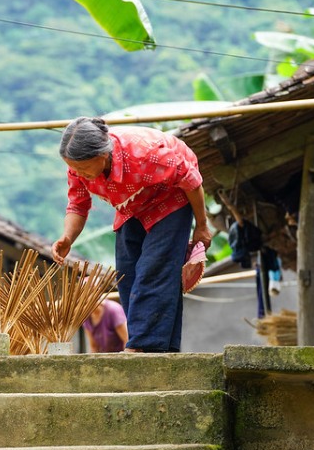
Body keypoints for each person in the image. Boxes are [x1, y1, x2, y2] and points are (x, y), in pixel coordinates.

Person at [52, 117, 212, 353]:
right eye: (75, 168)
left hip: (171, 198)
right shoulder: (78, 168)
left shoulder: (144, 154)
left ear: (102, 155)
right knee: (127, 272)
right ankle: (163, 347)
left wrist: (201, 225)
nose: (79, 174)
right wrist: (67, 238)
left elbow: (191, 181)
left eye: (84, 169)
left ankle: (143, 346)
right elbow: (77, 205)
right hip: (131, 204)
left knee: (156, 268)